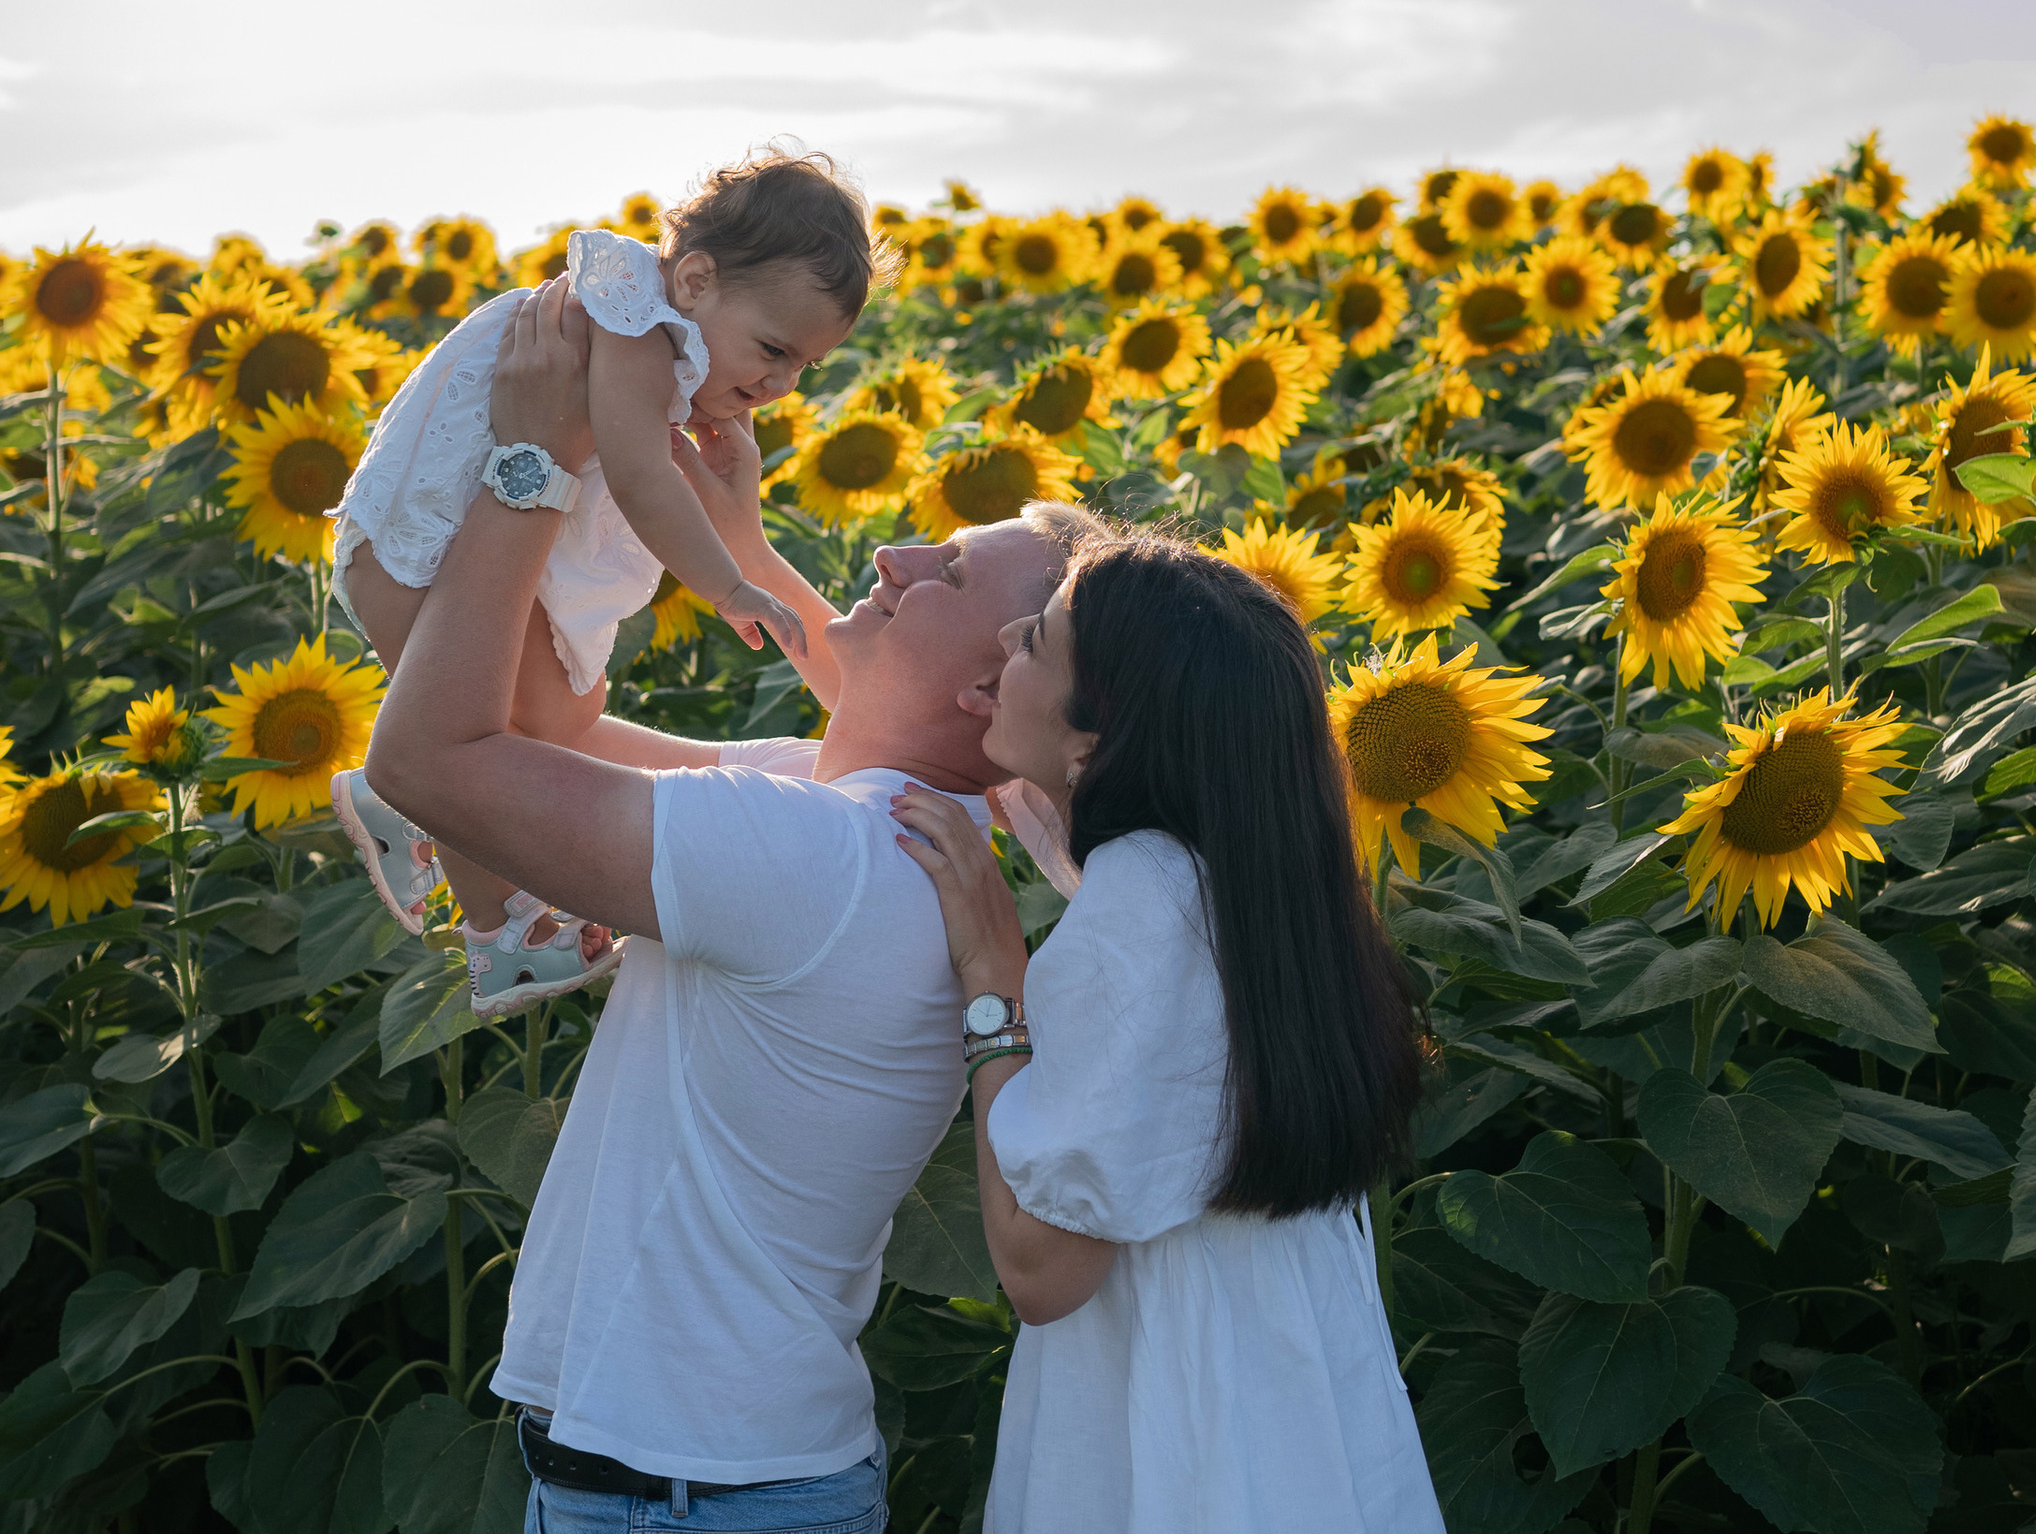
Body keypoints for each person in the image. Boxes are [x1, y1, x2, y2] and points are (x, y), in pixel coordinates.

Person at [366, 279, 1086, 1528]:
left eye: (946, 569)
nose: (892, 554)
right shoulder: (861, 819)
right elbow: (556, 726)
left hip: (689, 1499)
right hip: (699, 1476)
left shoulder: (818, 853)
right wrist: (735, 536)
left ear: (993, 685)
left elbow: (430, 760)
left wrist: (530, 458)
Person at [892, 526, 1445, 1534]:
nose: (1007, 636)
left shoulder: (1135, 917)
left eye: (1035, 642)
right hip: (1292, 1395)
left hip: (1169, 1413)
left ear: (1094, 738)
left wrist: (991, 989)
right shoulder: (1247, 875)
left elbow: (1041, 1270)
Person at [332, 146, 880, 1014]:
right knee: (505, 734)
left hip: (417, 543)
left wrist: (743, 543)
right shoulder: (633, 325)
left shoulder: (645, 322)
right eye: (773, 350)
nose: (779, 385)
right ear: (695, 279)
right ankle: (501, 930)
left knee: (547, 721)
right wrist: (727, 581)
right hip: (424, 541)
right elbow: (638, 473)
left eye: (803, 368)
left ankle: (413, 815)